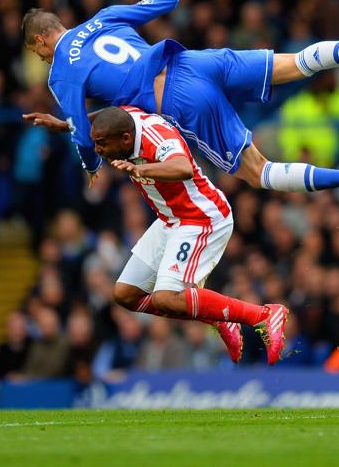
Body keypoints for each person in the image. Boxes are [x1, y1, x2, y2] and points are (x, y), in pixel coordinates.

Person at [22, 0, 339, 214]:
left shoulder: (60, 72)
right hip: (196, 60)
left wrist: (91, 167)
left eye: (35, 50)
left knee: (258, 173)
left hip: (180, 100)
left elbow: (82, 130)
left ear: (41, 40)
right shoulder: (103, 17)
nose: (40, 58)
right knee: (296, 64)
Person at [89, 104, 290, 365]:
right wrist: (66, 123)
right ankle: (218, 317)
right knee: (125, 294)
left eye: (102, 143)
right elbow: (106, 113)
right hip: (170, 219)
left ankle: (262, 315)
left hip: (201, 217)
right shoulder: (123, 121)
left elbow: (183, 167)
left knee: (166, 296)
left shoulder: (158, 139)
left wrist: (141, 169)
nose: (97, 150)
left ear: (126, 139)